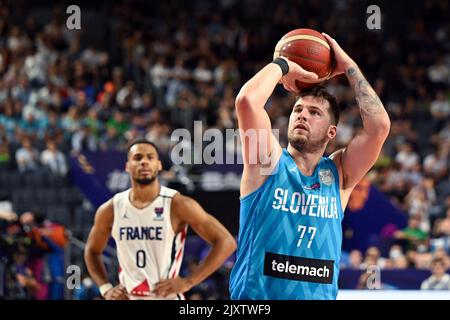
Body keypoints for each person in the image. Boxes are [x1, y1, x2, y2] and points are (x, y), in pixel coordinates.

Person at [229, 33, 391, 300]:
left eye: (314, 113)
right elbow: (247, 101)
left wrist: (347, 66)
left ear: (331, 132)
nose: (302, 114)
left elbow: (380, 127)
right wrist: (283, 65)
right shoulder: (267, 162)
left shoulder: (339, 173)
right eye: (298, 110)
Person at [84, 139, 236, 300]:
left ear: (159, 165)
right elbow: (92, 251)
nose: (144, 162)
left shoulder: (177, 204)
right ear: (127, 166)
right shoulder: (111, 208)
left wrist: (189, 282)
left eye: (150, 157)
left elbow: (226, 242)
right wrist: (106, 288)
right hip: (128, 296)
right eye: (138, 158)